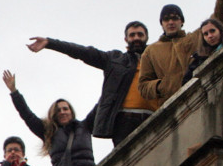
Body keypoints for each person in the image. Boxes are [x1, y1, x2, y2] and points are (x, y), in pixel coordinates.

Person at [24, 21, 161, 146]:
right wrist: (50, 43)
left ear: (146, 37)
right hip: (124, 120)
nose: (136, 38)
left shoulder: (157, 60)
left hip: (154, 116)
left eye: (140, 34)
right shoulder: (114, 59)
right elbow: (83, 52)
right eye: (132, 35)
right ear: (126, 39)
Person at [2, 71, 95, 166]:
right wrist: (14, 92)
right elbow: (27, 115)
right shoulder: (49, 133)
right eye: (58, 110)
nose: (62, 112)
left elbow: (103, 103)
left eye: (65, 109)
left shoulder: (85, 126)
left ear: (71, 111)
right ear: (53, 114)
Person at [138, 0, 223, 103]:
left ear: (182, 21)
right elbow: (143, 87)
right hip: (170, 106)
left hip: (201, 97)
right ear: (161, 23)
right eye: (166, 19)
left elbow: (219, 18)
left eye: (175, 18)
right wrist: (162, 86)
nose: (171, 22)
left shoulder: (195, 38)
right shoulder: (150, 51)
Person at [182, 18, 223, 83]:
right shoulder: (198, 60)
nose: (210, 36)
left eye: (212, 31)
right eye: (206, 34)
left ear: (220, 31)